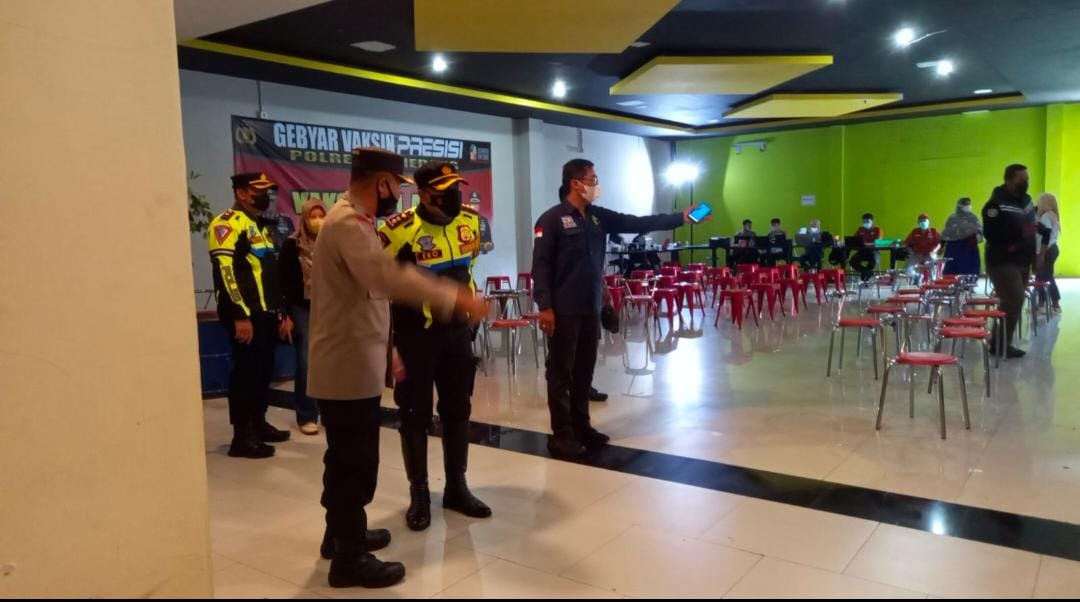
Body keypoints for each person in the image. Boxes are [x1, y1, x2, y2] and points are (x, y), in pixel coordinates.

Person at [307, 147, 489, 589]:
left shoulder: (355, 220)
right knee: (354, 461)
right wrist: (455, 297)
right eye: (395, 185)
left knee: (347, 457)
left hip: (358, 357)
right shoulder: (348, 223)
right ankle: (349, 559)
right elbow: (385, 277)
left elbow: (369, 297)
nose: (396, 194)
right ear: (382, 182)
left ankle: (342, 535)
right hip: (348, 362)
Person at [532, 158, 705, 457]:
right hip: (563, 309)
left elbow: (637, 222)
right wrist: (545, 307)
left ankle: (582, 427)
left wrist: (681, 217)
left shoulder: (597, 217)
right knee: (561, 374)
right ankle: (561, 435)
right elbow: (541, 266)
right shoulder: (551, 220)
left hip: (589, 307)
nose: (596, 184)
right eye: (592, 179)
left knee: (584, 370)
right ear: (575, 183)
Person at [378, 161, 492, 533]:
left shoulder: (470, 221)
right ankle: (420, 493)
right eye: (445, 190)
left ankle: (457, 486)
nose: (454, 195)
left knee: (458, 408)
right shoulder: (397, 230)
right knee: (414, 414)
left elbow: (468, 271)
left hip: (457, 334)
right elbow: (379, 284)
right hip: (416, 337)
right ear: (424, 194)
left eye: (456, 187)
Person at [208, 172, 294, 459]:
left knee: (263, 371)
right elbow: (225, 272)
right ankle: (242, 436)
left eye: (267, 190)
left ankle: (258, 423)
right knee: (245, 374)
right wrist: (238, 315)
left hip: (266, 313)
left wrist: (282, 311)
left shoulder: (259, 226)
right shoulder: (226, 224)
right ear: (241, 193)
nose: (265, 196)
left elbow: (270, 275)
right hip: (246, 314)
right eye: (259, 190)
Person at [279, 198, 326, 435]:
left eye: (321, 216)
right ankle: (307, 415)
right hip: (301, 306)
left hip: (329, 306)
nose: (317, 221)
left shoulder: (332, 242)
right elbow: (283, 281)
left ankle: (330, 411)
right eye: (312, 216)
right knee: (307, 359)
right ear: (304, 219)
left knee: (330, 360)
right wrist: (285, 314)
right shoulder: (292, 245)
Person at [983, 163, 1037, 358]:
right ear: (1009, 180)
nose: (1025, 182)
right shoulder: (995, 204)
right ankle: (1000, 344)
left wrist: (1035, 255)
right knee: (1014, 298)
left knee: (1012, 302)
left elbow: (1032, 229)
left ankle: (1000, 343)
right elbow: (992, 235)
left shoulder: (1027, 201)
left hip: (1023, 259)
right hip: (1002, 260)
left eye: (1027, 179)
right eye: (1021, 179)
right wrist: (1020, 233)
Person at [941, 198, 983, 276]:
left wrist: (977, 236)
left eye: (969, 204)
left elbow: (980, 231)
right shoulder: (952, 218)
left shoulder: (973, 218)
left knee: (970, 270)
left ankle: (969, 282)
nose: (968, 206)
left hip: (969, 248)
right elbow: (946, 233)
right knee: (952, 270)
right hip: (954, 248)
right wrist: (941, 246)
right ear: (959, 206)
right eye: (965, 204)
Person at [1035, 193, 1062, 313]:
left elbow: (1045, 238)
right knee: (1040, 276)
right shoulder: (1053, 215)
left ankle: (1055, 303)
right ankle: (1042, 303)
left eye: (1040, 201)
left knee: (1046, 277)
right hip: (1052, 248)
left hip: (1046, 250)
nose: (1038, 204)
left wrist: (1041, 255)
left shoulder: (1046, 216)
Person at [902, 213, 942, 283]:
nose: (923, 222)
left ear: (928, 222)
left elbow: (939, 243)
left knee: (933, 263)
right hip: (917, 253)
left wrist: (934, 251)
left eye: (925, 220)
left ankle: (933, 281)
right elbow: (907, 242)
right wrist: (900, 244)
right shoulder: (915, 231)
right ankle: (917, 276)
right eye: (921, 221)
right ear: (918, 223)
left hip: (930, 253)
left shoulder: (933, 231)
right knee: (907, 269)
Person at [850, 212, 882, 280]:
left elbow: (878, 242)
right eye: (864, 222)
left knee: (874, 261)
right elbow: (854, 239)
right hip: (862, 251)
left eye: (867, 221)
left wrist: (867, 244)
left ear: (872, 221)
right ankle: (868, 273)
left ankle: (865, 274)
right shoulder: (860, 229)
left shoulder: (877, 229)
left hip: (874, 251)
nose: (866, 223)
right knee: (852, 261)